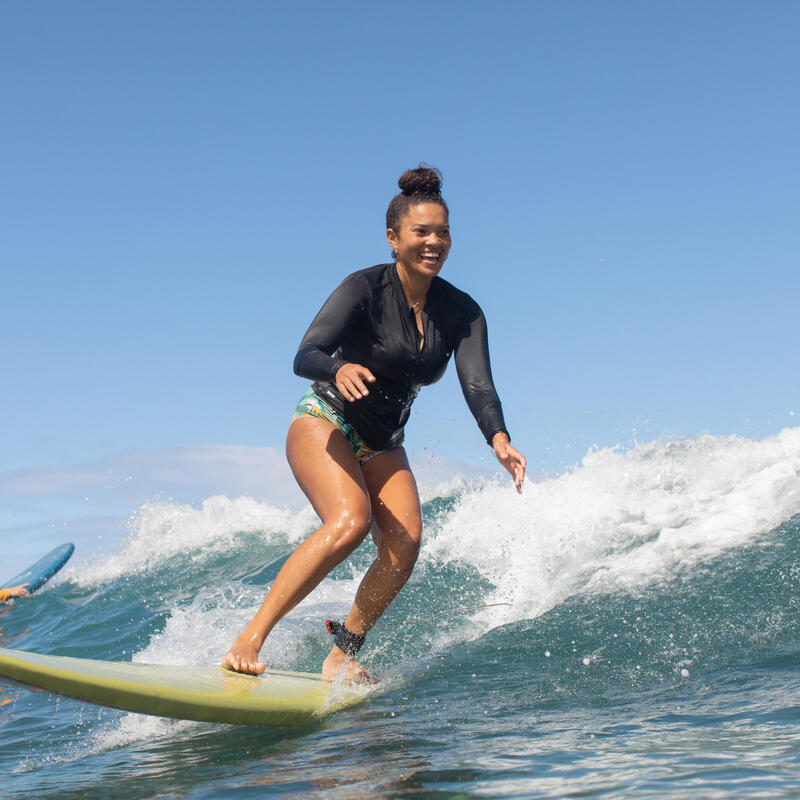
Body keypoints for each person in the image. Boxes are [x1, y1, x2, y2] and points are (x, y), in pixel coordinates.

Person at [223, 165, 526, 681]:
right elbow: (306, 353)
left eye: (443, 232)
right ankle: (248, 640)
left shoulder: (462, 312)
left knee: (405, 542)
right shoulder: (363, 288)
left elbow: (478, 383)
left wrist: (499, 437)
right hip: (326, 419)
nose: (434, 242)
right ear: (394, 237)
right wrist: (339, 367)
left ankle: (342, 653)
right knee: (349, 522)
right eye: (422, 232)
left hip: (384, 440)